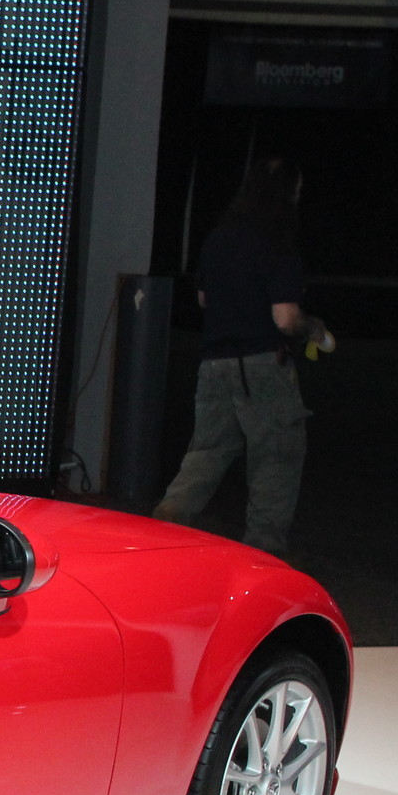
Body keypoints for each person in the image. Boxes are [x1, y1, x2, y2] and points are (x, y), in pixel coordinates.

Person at [152, 155, 337, 559]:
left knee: (205, 455)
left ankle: (160, 533)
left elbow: (203, 299)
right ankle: (262, 559)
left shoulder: (219, 238)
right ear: (288, 192)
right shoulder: (278, 240)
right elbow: (285, 317)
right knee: (276, 460)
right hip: (262, 366)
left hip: (214, 364)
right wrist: (315, 330)